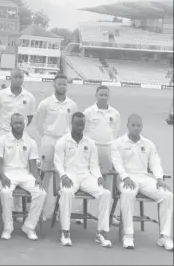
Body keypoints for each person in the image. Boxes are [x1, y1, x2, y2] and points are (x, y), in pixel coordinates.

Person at [111, 114, 173, 250]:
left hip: (144, 178)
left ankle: (164, 236)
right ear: (127, 126)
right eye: (133, 125)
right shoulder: (118, 143)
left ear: (142, 127)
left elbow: (155, 163)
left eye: (138, 125)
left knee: (168, 195)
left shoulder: (148, 144)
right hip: (125, 178)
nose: (136, 128)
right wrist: (125, 177)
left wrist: (159, 178)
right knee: (127, 193)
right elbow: (117, 162)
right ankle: (128, 235)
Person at [54, 112, 112, 248]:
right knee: (67, 193)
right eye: (77, 124)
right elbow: (58, 162)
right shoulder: (62, 141)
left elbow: (93, 164)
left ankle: (102, 232)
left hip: (86, 177)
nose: (80, 127)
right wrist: (63, 176)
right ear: (71, 124)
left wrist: (99, 177)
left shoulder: (90, 143)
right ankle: (65, 232)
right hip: (69, 175)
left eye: (82, 124)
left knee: (105, 194)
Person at [0, 114, 46, 240]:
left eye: (20, 123)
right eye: (15, 123)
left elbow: (33, 165)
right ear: (10, 124)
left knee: (41, 193)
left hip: (25, 174)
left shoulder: (31, 142)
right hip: (8, 173)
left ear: (24, 124)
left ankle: (29, 226)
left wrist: (37, 178)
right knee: (6, 193)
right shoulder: (2, 140)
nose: (18, 125)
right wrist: (2, 176)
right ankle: (8, 228)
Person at [0, 68, 36, 216]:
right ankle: (3, 209)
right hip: (4, 134)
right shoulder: (0, 96)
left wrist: (19, 129)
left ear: (23, 79)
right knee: (3, 171)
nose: (18, 79)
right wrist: (5, 130)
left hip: (21, 135)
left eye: (20, 77)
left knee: (21, 169)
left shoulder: (29, 97)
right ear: (10, 78)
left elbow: (29, 118)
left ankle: (17, 208)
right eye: (15, 77)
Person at [36, 74, 77, 219]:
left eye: (65, 84)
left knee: (64, 177)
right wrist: (48, 137)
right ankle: (40, 211)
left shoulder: (72, 105)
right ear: (54, 85)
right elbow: (39, 124)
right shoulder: (46, 103)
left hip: (65, 142)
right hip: (49, 141)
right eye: (59, 84)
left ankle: (60, 212)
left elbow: (72, 126)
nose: (62, 87)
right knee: (45, 177)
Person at [83, 85, 121, 225]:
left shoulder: (115, 113)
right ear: (96, 95)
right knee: (87, 178)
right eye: (101, 95)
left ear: (108, 96)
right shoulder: (89, 112)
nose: (103, 97)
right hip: (92, 149)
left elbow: (115, 131)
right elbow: (84, 131)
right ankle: (82, 211)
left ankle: (110, 214)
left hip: (108, 149)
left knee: (109, 183)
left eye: (106, 95)